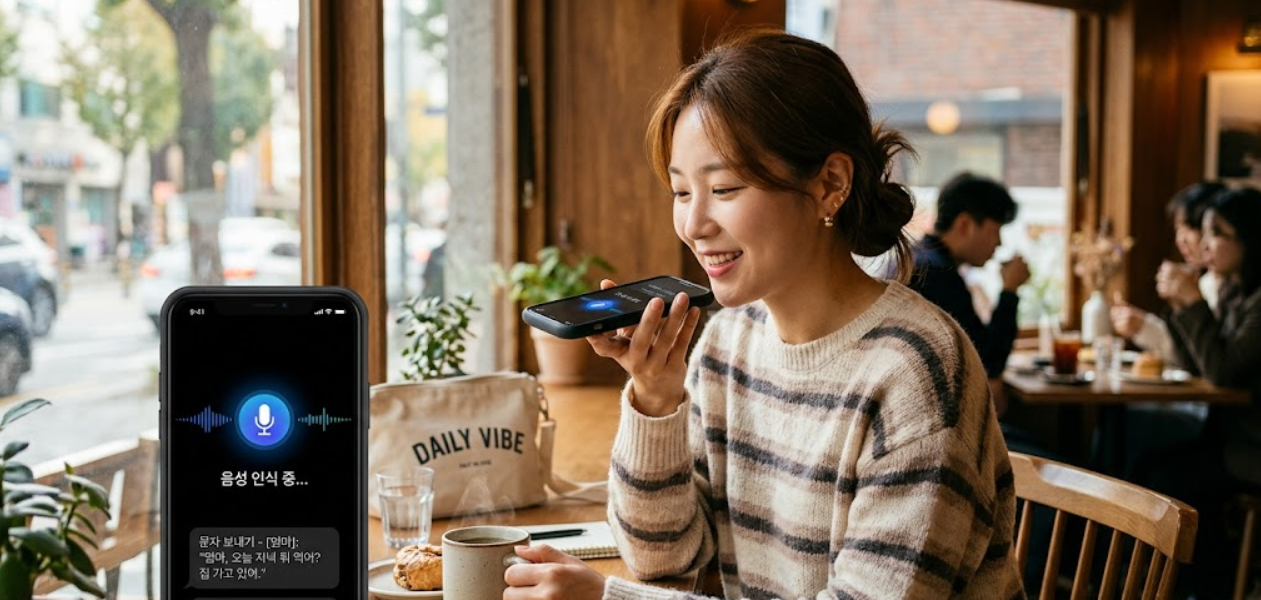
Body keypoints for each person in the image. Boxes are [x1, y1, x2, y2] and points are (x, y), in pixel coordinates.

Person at [503, 28, 1023, 600]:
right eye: (681, 192)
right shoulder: (730, 341)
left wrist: (606, 598)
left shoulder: (917, 373)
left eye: (723, 188)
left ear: (830, 185)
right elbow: (665, 558)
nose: (694, 225)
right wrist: (655, 398)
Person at [1133, 186, 1261, 600]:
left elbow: (1223, 371)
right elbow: (1196, 365)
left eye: (1218, 233)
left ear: (1250, 239)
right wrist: (1180, 304)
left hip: (1251, 447)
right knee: (1145, 465)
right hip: (1228, 438)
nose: (1206, 244)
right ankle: (1181, 585)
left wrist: (1191, 304)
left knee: (1169, 481)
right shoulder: (1235, 293)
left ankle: (1203, 587)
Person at [1110, 181, 1226, 363]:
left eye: (1188, 229)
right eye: (1177, 230)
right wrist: (1143, 326)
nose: (1180, 240)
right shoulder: (1207, 281)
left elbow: (1211, 363)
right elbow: (1188, 355)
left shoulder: (1236, 290)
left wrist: (1190, 300)